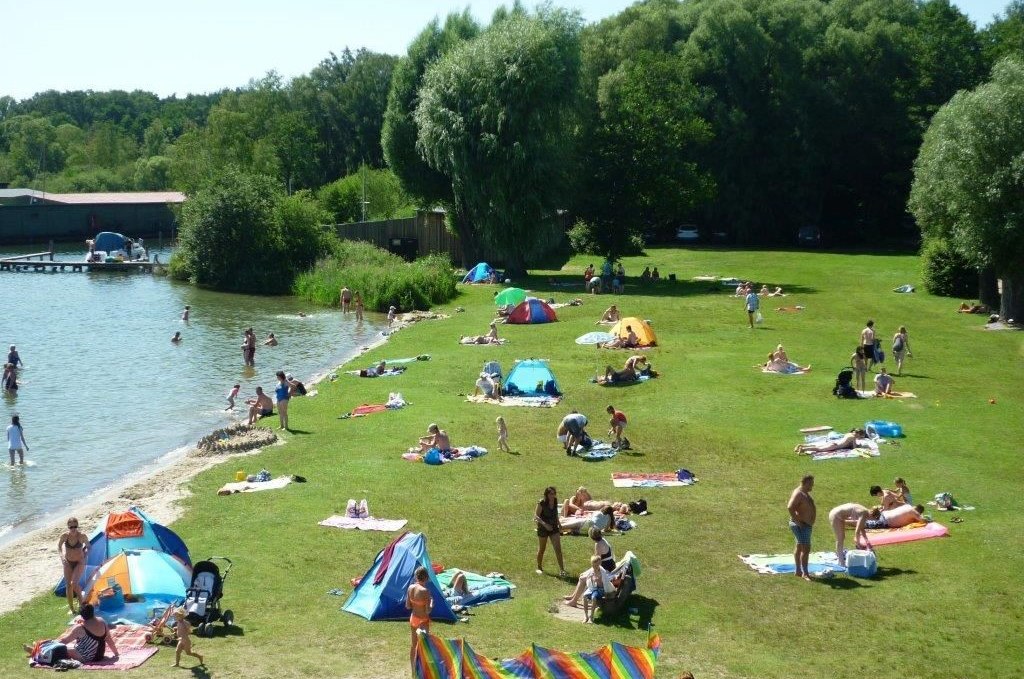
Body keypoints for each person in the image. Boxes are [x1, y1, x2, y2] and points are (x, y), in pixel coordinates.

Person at [787, 475, 816, 580]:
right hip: (802, 525)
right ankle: (805, 573)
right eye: (811, 483)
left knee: (800, 546)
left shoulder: (805, 493)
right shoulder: (798, 493)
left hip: (805, 524)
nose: (812, 485)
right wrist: (797, 521)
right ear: (805, 483)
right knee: (806, 548)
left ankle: (798, 571)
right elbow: (790, 507)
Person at [57, 517, 88, 612]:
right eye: (71, 527)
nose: (73, 529)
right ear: (68, 527)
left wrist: (84, 554)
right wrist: (62, 557)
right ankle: (72, 609)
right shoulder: (64, 536)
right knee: (68, 585)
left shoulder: (82, 536)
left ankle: (82, 603)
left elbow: (89, 547)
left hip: (79, 562)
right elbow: (59, 547)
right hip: (68, 562)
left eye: (75, 526)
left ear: (77, 526)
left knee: (74, 583)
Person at [535, 486, 567, 576]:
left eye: (554, 493)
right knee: (542, 549)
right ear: (547, 494)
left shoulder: (555, 501)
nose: (553, 496)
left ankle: (562, 570)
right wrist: (545, 525)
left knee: (558, 549)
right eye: (551, 494)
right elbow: (536, 516)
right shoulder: (541, 503)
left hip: (554, 528)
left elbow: (555, 514)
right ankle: (539, 567)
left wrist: (559, 525)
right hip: (543, 529)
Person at [406, 566, 432, 671]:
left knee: (414, 645)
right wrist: (431, 602)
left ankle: (413, 669)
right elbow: (428, 611)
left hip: (413, 619)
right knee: (424, 645)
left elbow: (408, 606)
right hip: (423, 621)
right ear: (426, 577)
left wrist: (416, 604)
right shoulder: (425, 591)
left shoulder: (410, 588)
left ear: (416, 577)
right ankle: (423, 669)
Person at [794, 428, 867, 454]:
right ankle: (803, 449)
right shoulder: (853, 437)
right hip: (835, 445)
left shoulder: (849, 433)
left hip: (834, 443)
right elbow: (854, 448)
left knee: (818, 446)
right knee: (819, 449)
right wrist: (859, 446)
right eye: (860, 435)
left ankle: (801, 445)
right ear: (858, 434)